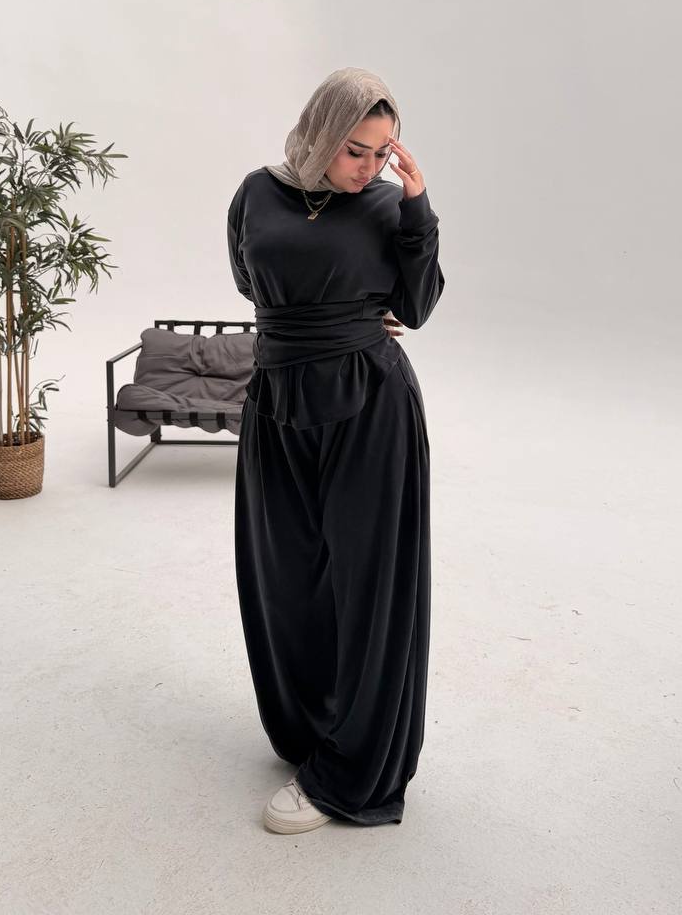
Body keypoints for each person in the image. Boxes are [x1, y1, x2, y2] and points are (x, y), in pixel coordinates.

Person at [226, 66, 445, 833]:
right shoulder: (256, 193)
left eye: (383, 153)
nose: (369, 167)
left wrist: (417, 208)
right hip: (277, 402)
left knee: (369, 586)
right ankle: (311, 728)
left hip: (369, 408)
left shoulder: (388, 205)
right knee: (284, 577)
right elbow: (253, 283)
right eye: (357, 150)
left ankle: (354, 773)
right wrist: (318, 321)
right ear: (321, 132)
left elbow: (416, 305)